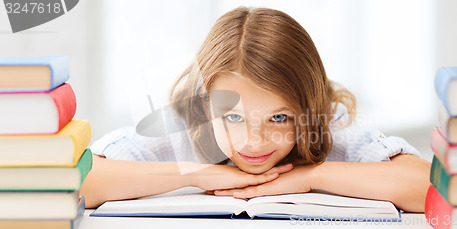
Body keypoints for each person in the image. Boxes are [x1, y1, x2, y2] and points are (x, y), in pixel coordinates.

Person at [80, 7, 431, 212]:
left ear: (307, 110)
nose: (254, 141)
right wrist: (199, 174)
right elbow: (78, 180)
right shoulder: (187, 125)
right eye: (233, 118)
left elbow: (429, 185)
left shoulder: (326, 127)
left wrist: (311, 176)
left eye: (279, 117)